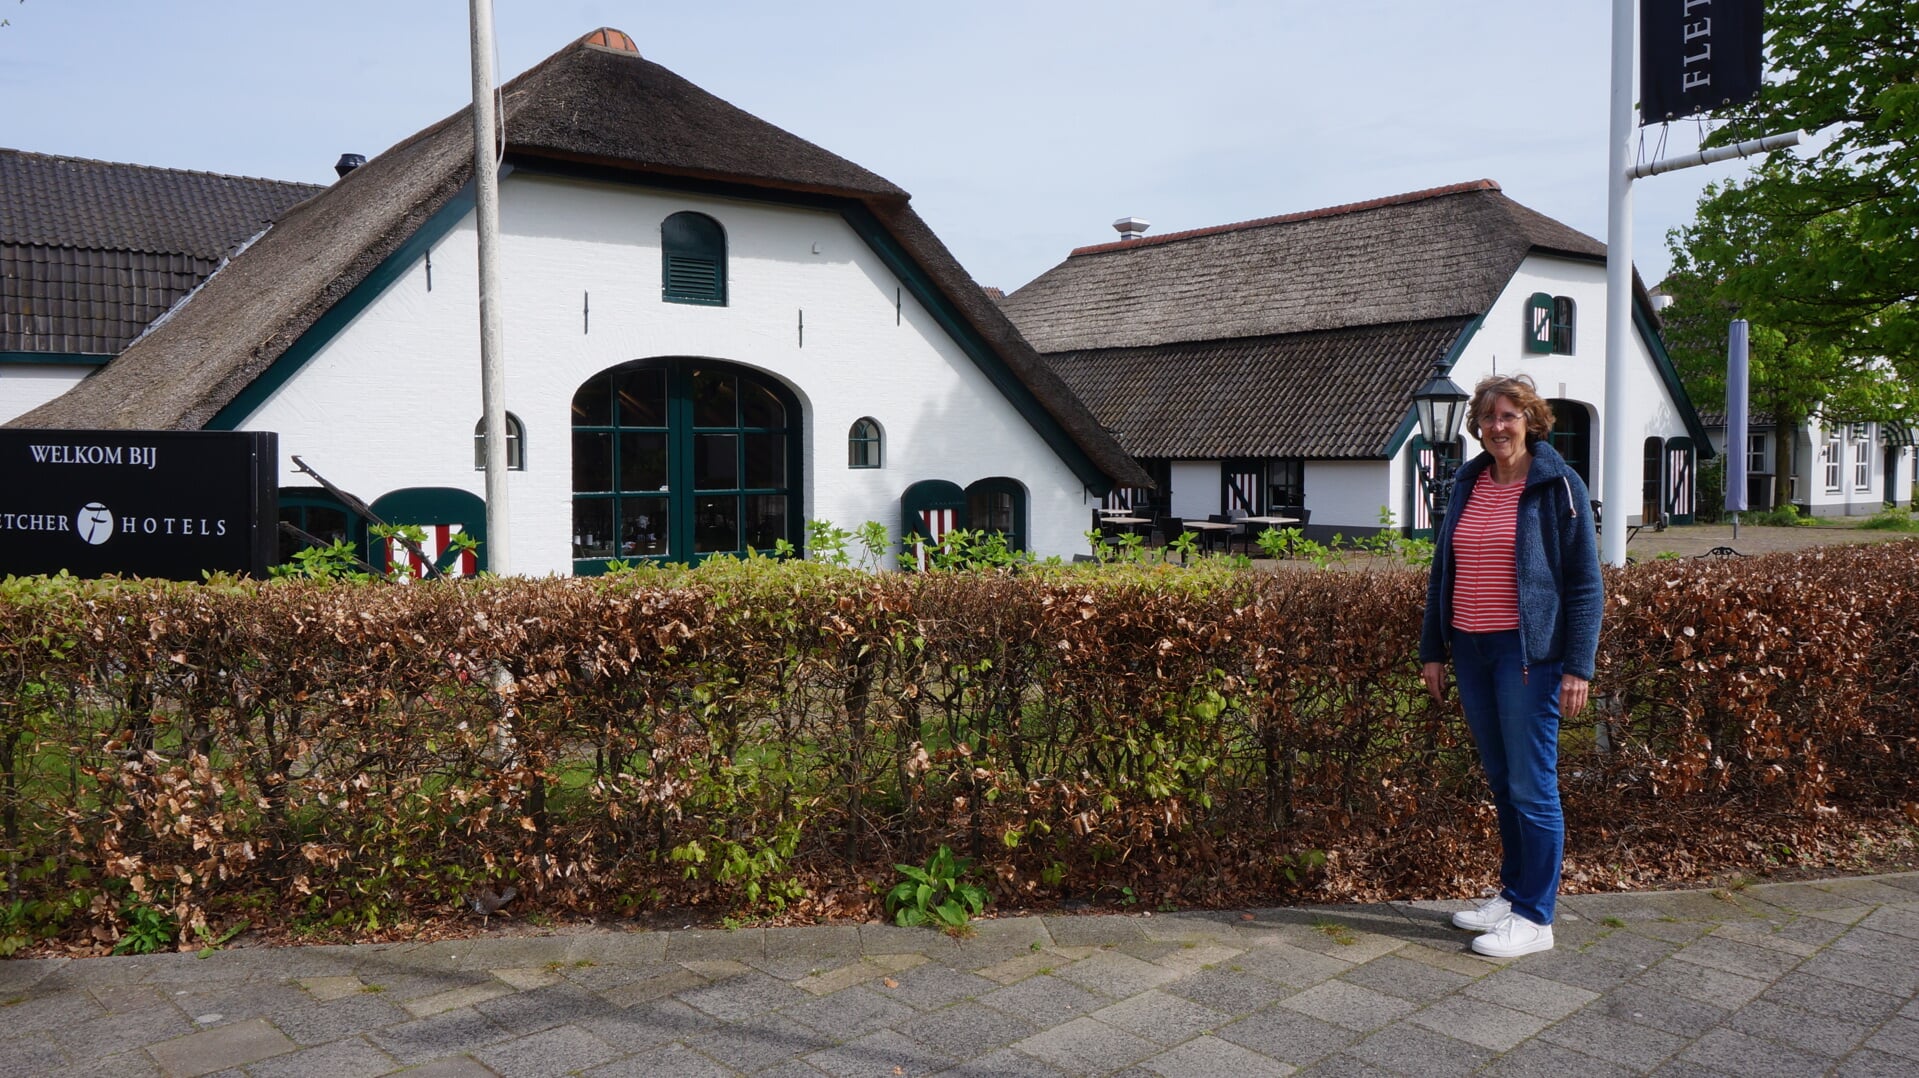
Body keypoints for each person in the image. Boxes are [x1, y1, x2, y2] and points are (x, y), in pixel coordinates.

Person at [1419, 373, 1601, 958]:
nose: (1498, 427)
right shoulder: (1469, 482)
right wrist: (1433, 649)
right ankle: (1514, 892)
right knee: (1503, 780)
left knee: (1532, 785)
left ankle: (1536, 918)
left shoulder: (1558, 485)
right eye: (1489, 418)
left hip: (1529, 656)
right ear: (1477, 426)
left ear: (1531, 422)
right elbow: (1442, 573)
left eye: (1509, 416)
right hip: (1472, 652)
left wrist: (1578, 665)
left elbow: (1585, 586)